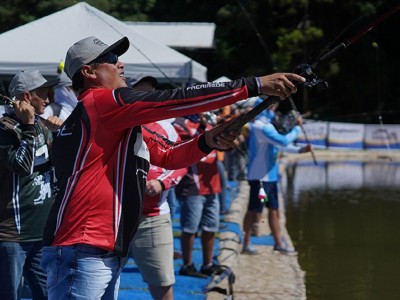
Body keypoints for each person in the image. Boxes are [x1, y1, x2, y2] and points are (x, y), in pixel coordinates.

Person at [40, 35, 305, 299]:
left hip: (96, 248)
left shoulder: (112, 119)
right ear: (88, 72)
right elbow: (174, 99)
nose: (121, 64)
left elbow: (169, 155)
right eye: (111, 59)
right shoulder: (100, 102)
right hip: (83, 246)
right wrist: (254, 85)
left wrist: (208, 140)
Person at [0, 70, 62, 300]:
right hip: (12, 236)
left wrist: (60, 134)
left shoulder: (42, 126)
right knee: (9, 294)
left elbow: (60, 166)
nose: (48, 99)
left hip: (41, 232)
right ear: (27, 97)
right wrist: (27, 127)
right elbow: (22, 166)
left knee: (47, 293)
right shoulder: (5, 130)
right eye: (43, 94)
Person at [127, 75, 185, 300]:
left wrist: (162, 183)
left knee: (162, 285)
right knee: (102, 282)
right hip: (112, 217)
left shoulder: (166, 128)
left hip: (152, 218)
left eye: (149, 92)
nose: (144, 97)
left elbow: (182, 164)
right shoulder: (114, 122)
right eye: (138, 92)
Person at [241, 98, 311, 255]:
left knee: (274, 210)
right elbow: (283, 140)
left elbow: (279, 146)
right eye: (271, 106)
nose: (274, 109)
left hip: (270, 177)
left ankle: (278, 244)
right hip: (260, 177)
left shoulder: (268, 126)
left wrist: (300, 150)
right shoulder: (261, 127)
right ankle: (246, 243)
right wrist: (297, 128)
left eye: (274, 105)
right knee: (254, 211)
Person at [174, 114, 226, 278]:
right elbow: (185, 144)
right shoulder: (181, 123)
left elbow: (225, 146)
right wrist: (203, 128)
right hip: (192, 186)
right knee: (190, 228)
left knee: (211, 226)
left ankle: (207, 264)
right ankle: (187, 265)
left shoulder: (211, 124)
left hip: (212, 184)